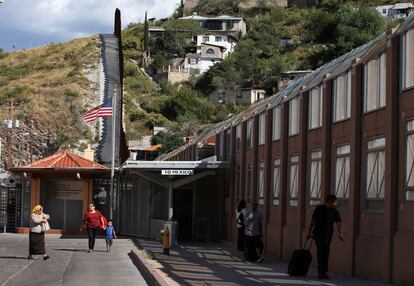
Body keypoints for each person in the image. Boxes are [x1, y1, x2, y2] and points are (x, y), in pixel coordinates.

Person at [307, 194, 344, 280]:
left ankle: (324, 272)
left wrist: (340, 233)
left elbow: (338, 222)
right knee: (320, 251)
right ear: (330, 202)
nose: (336, 204)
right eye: (335, 202)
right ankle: (320, 272)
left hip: (328, 236)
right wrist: (309, 233)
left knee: (326, 252)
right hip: (317, 234)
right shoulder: (319, 209)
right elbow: (313, 221)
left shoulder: (335, 212)